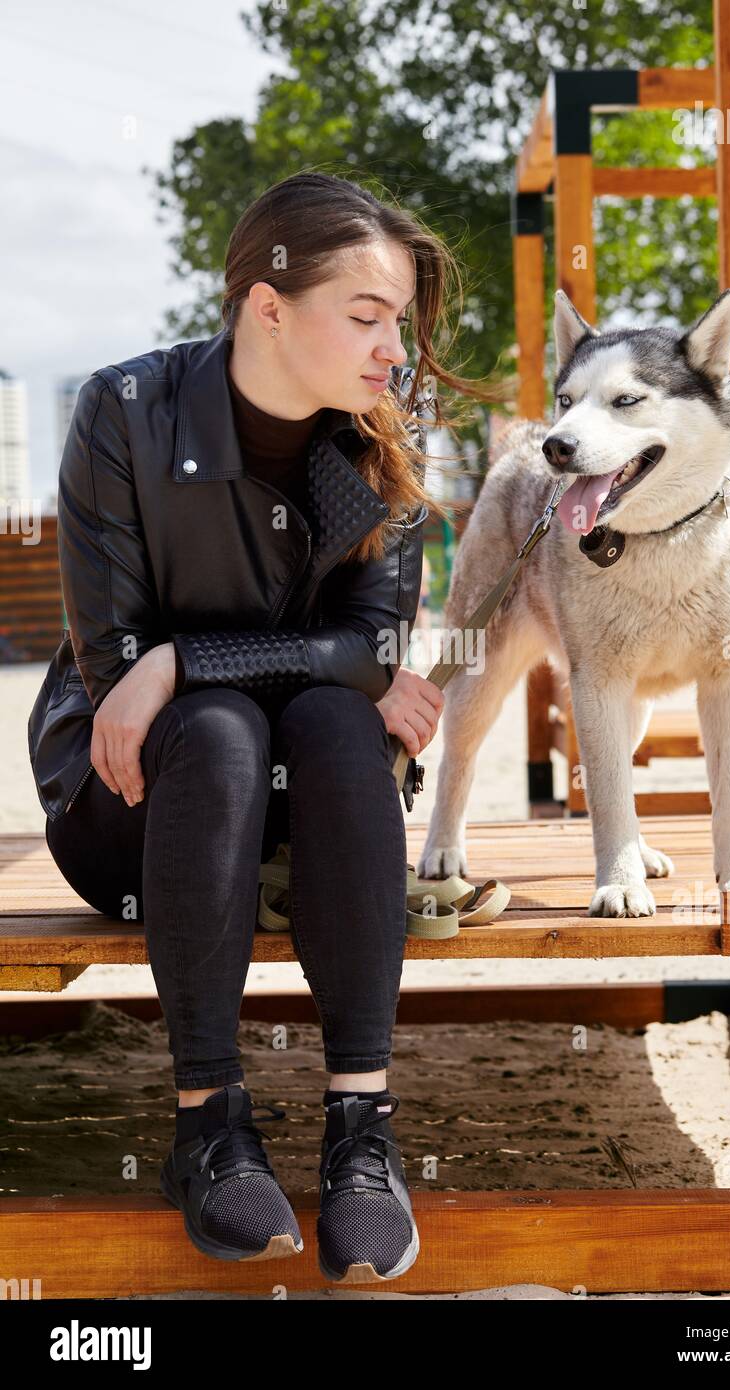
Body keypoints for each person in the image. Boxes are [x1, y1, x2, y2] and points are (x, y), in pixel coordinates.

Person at [27, 172, 504, 1281]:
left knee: (338, 731)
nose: (397, 349)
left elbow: (372, 656)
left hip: (312, 825)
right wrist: (207, 675)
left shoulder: (382, 440)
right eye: (369, 316)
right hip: (130, 812)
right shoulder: (124, 412)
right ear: (267, 306)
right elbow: (114, 673)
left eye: (402, 323)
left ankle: (360, 1130)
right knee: (227, 732)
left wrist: (189, 656)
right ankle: (208, 1124)